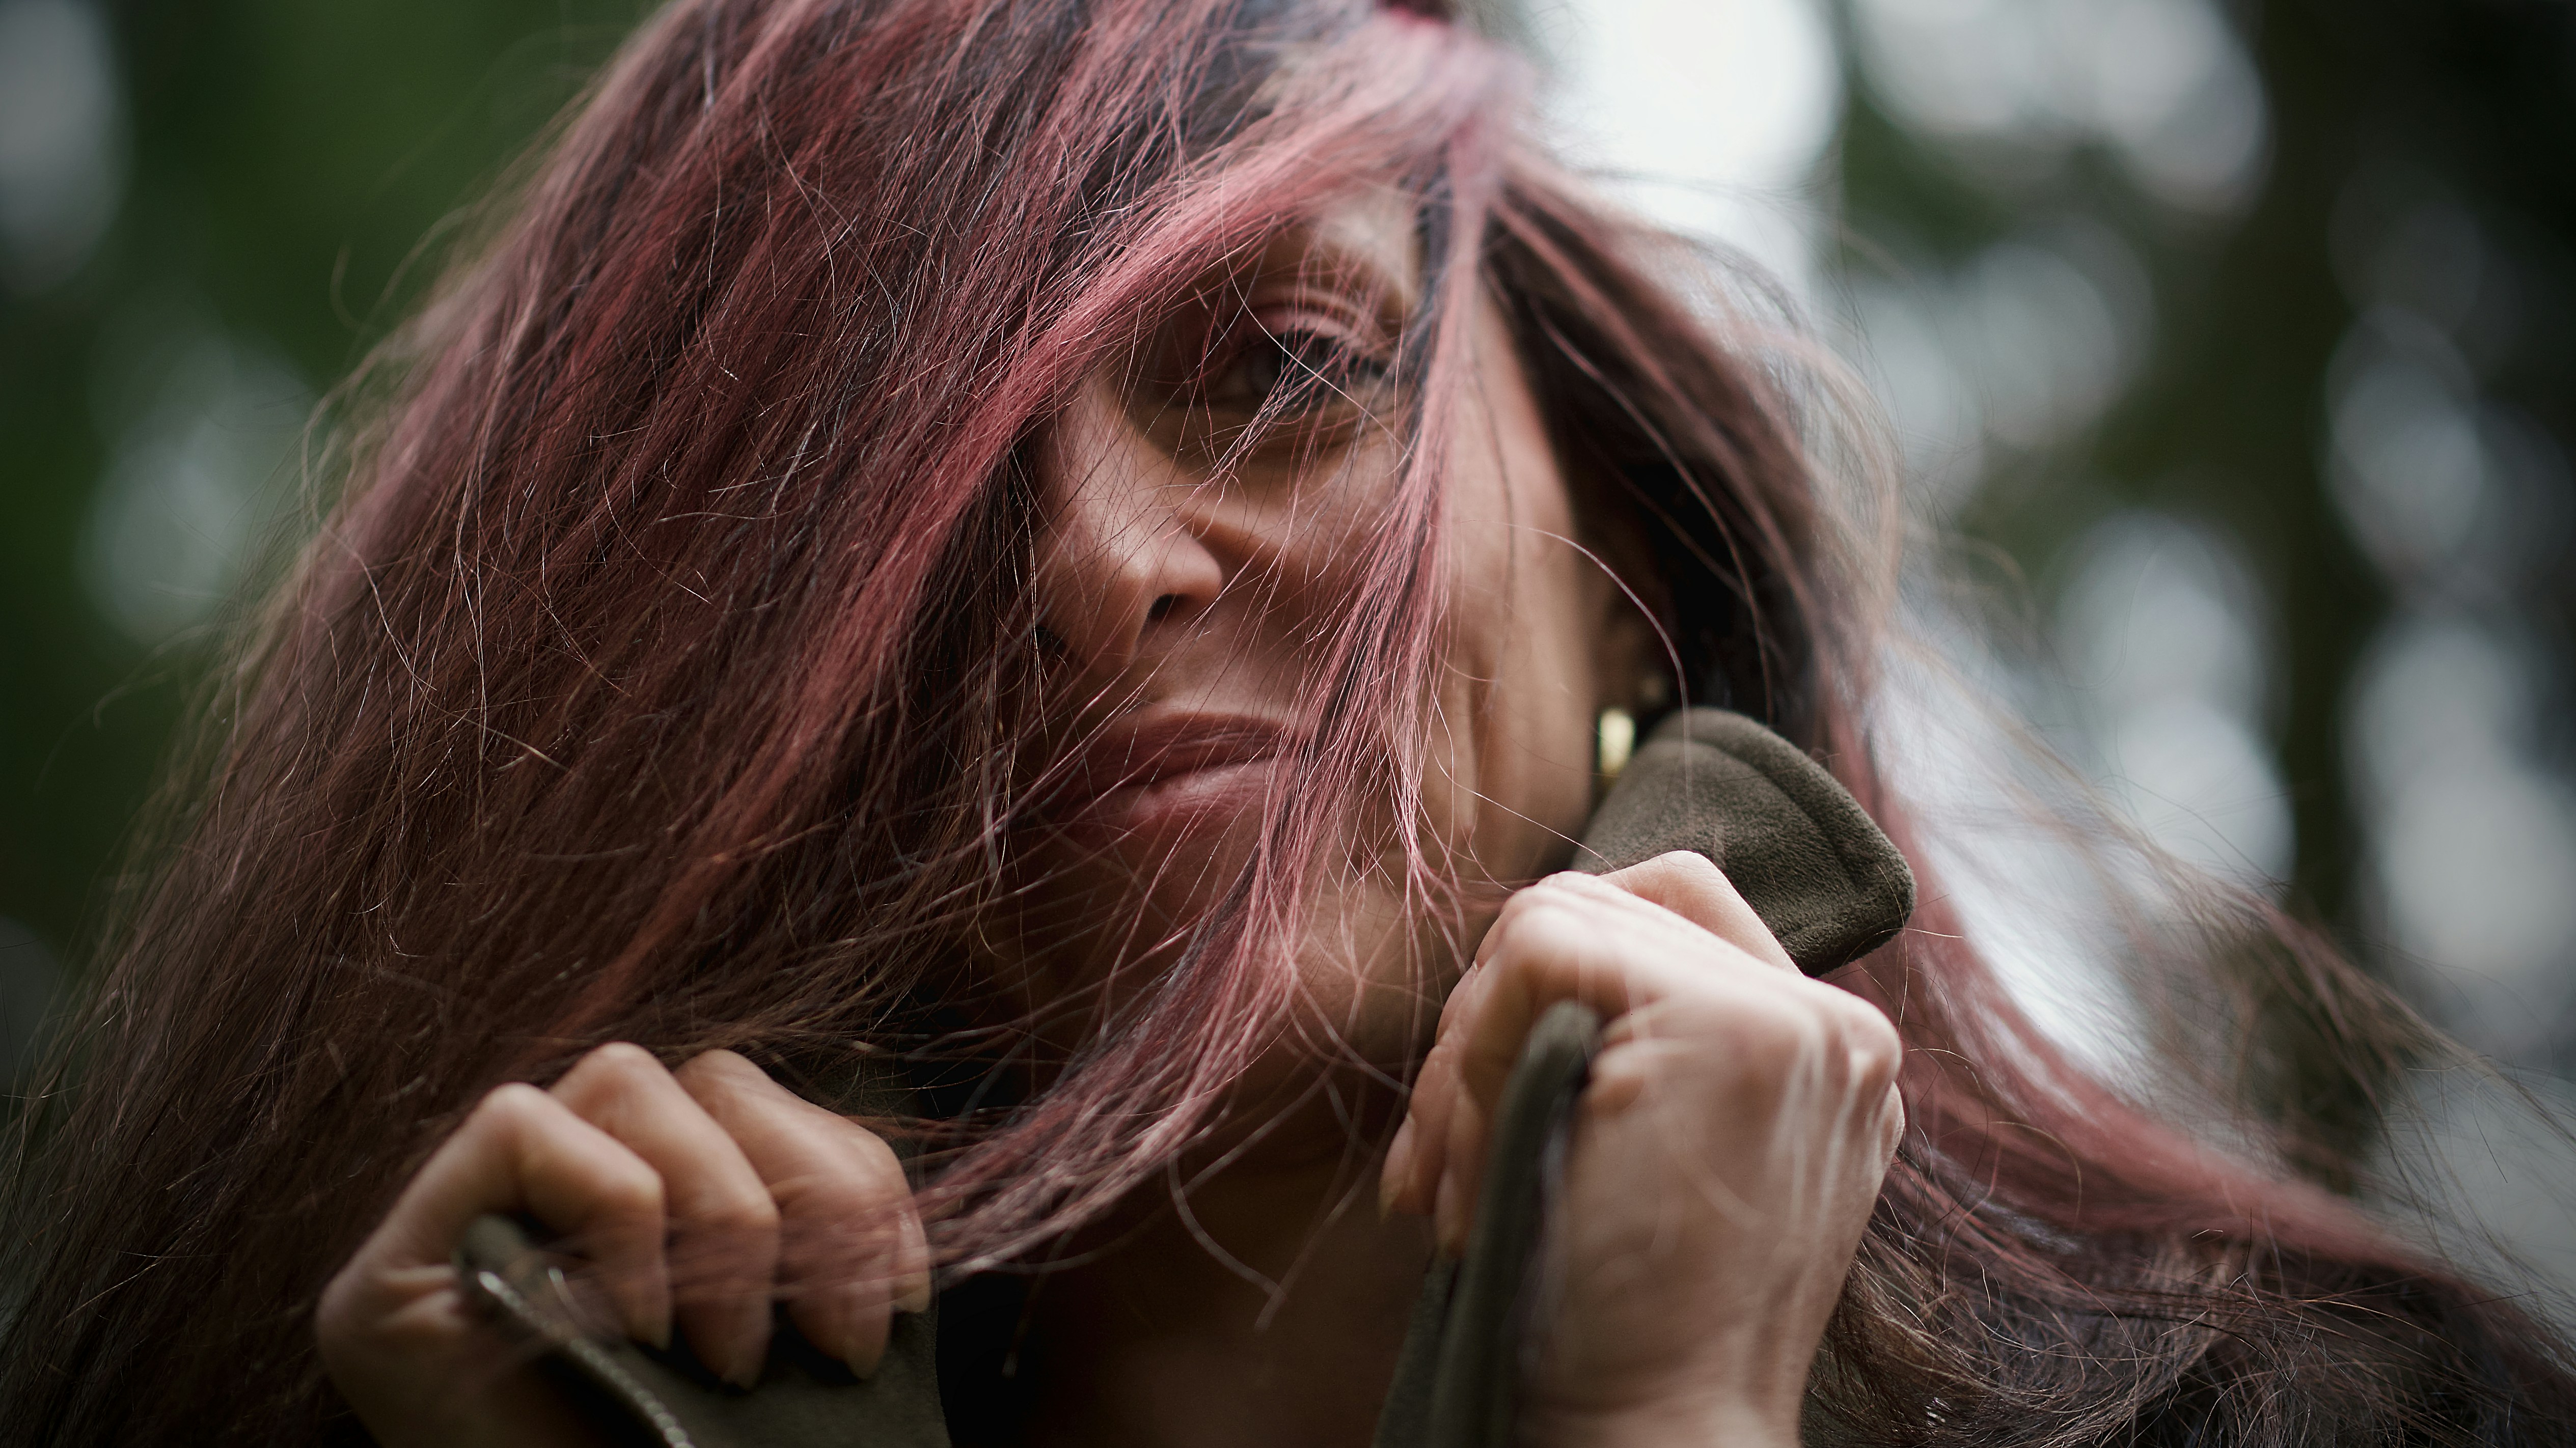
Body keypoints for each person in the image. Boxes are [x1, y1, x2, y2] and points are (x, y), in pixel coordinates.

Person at [5, 1, 2570, 1444]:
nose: (1095, 567)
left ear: (1627, 567)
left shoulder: (2331, 1418)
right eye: (907, 521)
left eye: (1288, 364)